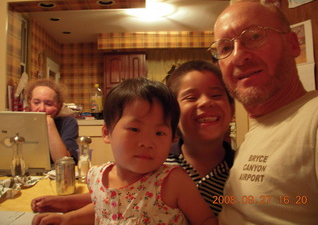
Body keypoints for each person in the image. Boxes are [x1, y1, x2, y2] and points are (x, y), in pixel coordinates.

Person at [32, 77, 218, 225]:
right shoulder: (97, 176)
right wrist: (68, 218)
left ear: (172, 139)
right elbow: (104, 209)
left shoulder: (173, 181)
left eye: (159, 132)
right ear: (107, 133)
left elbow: (206, 220)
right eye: (135, 129)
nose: (147, 142)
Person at [209, 0, 318, 224]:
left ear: (293, 45)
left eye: (254, 36)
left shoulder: (315, 119)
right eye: (225, 48)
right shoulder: (257, 131)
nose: (239, 56)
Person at [165, 60, 235, 215]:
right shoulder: (156, 163)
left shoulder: (242, 169)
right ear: (173, 113)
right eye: (191, 97)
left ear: (232, 109)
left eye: (216, 95)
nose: (205, 102)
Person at [25, 79, 79, 163]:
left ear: (59, 105)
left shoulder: (68, 123)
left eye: (48, 104)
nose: (42, 108)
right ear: (29, 102)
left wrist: (49, 123)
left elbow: (63, 162)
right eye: (36, 103)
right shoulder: (22, 122)